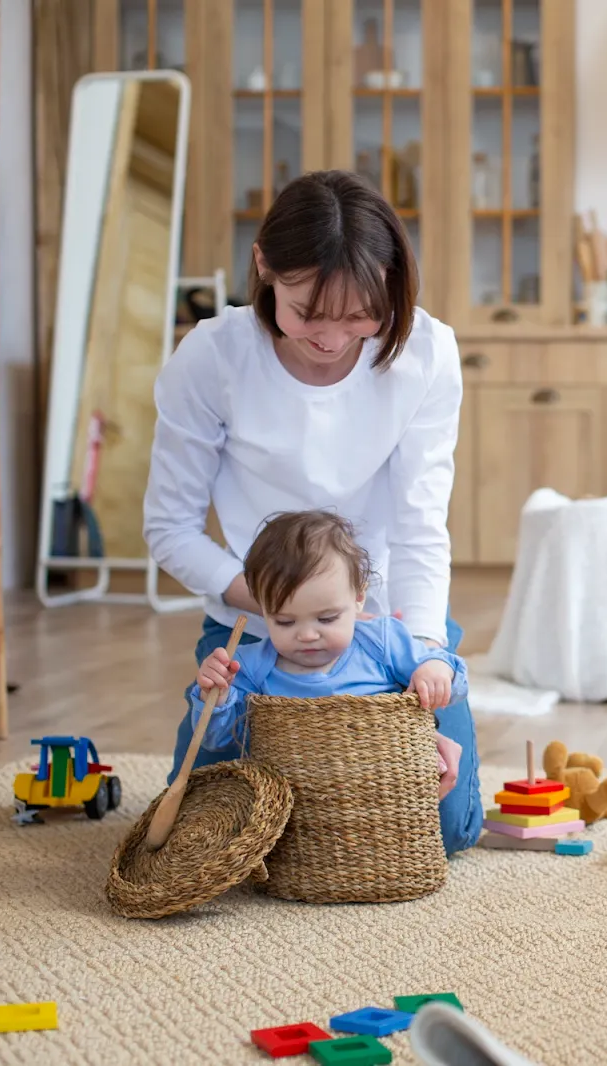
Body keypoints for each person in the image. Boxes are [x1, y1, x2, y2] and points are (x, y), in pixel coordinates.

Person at [143, 169, 481, 851]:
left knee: (441, 831)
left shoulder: (425, 353)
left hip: (382, 623)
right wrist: (280, 608)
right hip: (255, 636)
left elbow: (420, 525)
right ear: (265, 266)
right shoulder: (212, 358)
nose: (332, 339)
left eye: (361, 316)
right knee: (206, 835)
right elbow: (170, 528)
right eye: (307, 313)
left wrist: (421, 656)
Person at [184, 512, 470, 827]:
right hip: (298, 805)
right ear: (262, 609)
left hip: (384, 791)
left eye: (327, 618)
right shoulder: (250, 665)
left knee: (449, 824)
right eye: (285, 621)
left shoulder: (383, 639)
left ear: (359, 598)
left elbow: (453, 681)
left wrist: (435, 668)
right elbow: (216, 737)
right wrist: (218, 694)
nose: (307, 635)